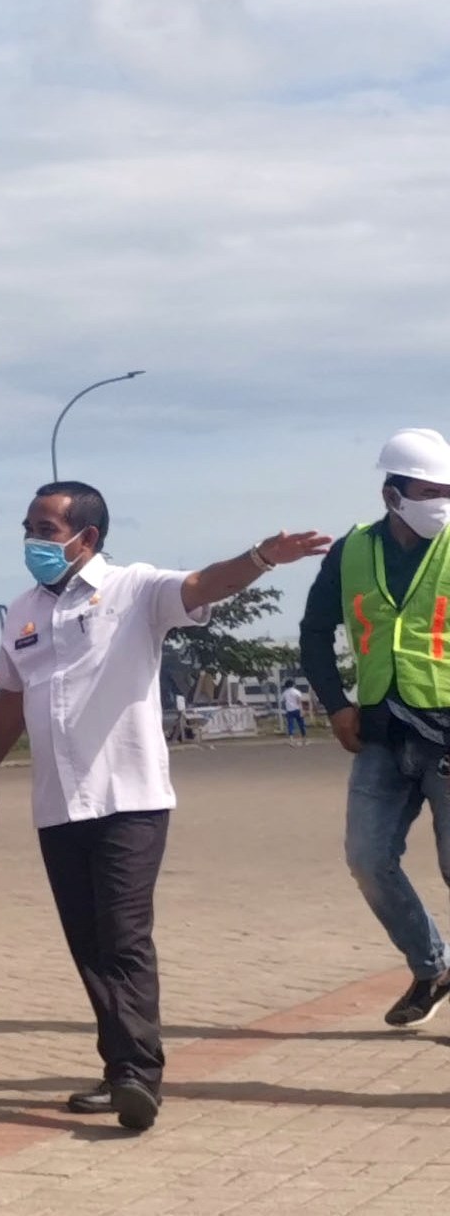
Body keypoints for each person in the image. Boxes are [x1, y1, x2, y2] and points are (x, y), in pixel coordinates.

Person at [0, 481, 327, 1132]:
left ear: (87, 537)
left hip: (129, 797)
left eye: (46, 530)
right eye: (28, 528)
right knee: (89, 944)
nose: (32, 541)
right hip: (57, 804)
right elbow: (10, 706)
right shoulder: (22, 611)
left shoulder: (135, 590)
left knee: (124, 938)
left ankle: (137, 1073)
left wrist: (262, 558)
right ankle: (119, 1068)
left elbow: (204, 585)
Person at [299, 428, 450, 1029]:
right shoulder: (352, 550)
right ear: (393, 495)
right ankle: (430, 966)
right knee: (367, 859)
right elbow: (315, 631)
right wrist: (336, 704)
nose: (442, 500)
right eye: (430, 490)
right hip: (382, 732)